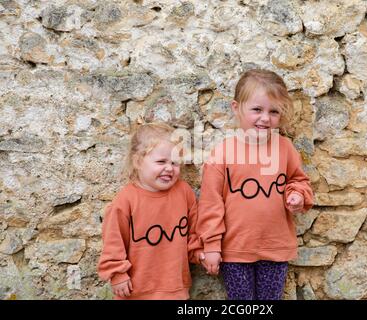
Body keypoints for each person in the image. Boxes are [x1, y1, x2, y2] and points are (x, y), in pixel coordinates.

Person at [197, 69, 314, 300]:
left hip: (275, 247)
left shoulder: (285, 148)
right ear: (236, 108)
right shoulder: (223, 154)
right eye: (257, 110)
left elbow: (299, 180)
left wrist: (298, 195)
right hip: (235, 250)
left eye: (274, 111)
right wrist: (211, 245)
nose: (265, 118)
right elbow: (210, 203)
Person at [97, 123, 202, 300]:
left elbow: (194, 230)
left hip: (174, 288)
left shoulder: (184, 193)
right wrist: (117, 273)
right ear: (138, 161)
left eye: (175, 163)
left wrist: (199, 251)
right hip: (136, 291)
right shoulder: (125, 200)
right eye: (161, 162)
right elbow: (113, 242)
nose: (169, 168)